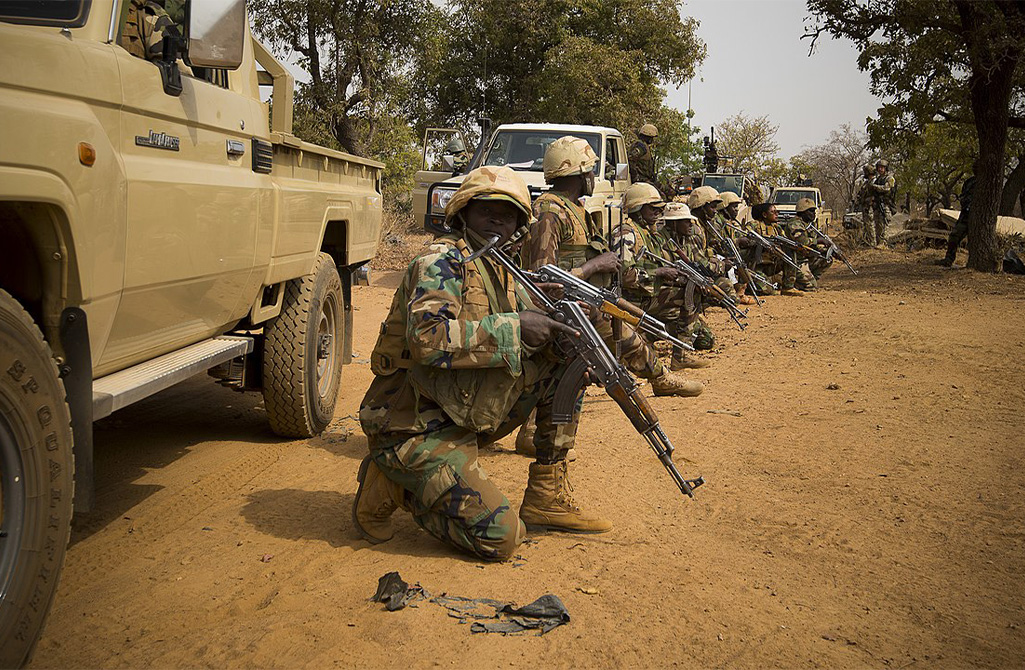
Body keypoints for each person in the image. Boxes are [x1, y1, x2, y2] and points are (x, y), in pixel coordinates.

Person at [354, 166, 612, 562]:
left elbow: (525, 330)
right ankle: (392, 485)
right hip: (410, 423)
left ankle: (547, 493)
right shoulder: (442, 261)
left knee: (565, 365)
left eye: (508, 214)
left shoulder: (498, 265)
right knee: (503, 539)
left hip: (456, 409)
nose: (498, 219)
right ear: (463, 212)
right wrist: (515, 327)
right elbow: (426, 338)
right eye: (486, 210)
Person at [519, 135, 702, 397]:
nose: (594, 176)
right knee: (620, 348)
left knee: (559, 378)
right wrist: (594, 265)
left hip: (587, 303)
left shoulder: (575, 208)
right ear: (580, 172)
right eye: (591, 169)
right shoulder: (549, 212)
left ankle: (660, 377)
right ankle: (660, 378)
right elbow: (541, 279)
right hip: (568, 309)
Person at [611, 183, 710, 371]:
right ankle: (668, 351)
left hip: (648, 296)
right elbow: (625, 275)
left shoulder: (648, 233)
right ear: (637, 208)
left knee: (690, 292)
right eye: (652, 208)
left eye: (659, 208)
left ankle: (676, 353)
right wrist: (659, 273)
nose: (658, 212)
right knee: (686, 297)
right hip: (631, 300)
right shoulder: (627, 233)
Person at [661, 201, 721, 352]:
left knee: (706, 340)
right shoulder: (661, 242)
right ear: (674, 224)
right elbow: (660, 275)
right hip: (659, 294)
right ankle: (681, 352)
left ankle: (669, 328)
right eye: (686, 221)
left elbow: (699, 264)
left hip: (674, 295)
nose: (691, 225)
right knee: (692, 293)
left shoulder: (686, 242)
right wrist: (687, 282)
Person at [940, 172, 976, 267]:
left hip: (975, 216)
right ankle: (949, 259)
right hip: (965, 214)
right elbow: (963, 196)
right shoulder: (970, 181)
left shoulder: (984, 183)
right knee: (954, 237)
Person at [870, 159, 895, 246]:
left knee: (884, 225)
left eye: (882, 167)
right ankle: (878, 243)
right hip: (877, 205)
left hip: (885, 205)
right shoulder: (878, 179)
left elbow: (886, 188)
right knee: (877, 225)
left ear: (886, 168)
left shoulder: (890, 178)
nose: (880, 169)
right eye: (879, 167)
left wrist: (874, 187)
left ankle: (884, 244)